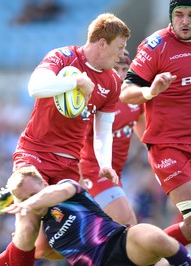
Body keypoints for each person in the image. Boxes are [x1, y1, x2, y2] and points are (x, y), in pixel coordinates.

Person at [0, 12, 130, 259]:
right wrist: (75, 83)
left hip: (69, 165)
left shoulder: (113, 83)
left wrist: (105, 164)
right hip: (34, 153)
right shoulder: (64, 57)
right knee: (28, 226)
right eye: (119, 47)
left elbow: (103, 129)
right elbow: (35, 88)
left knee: (51, 246)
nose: (121, 54)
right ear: (102, 43)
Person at [119, 0, 191, 265]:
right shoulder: (155, 46)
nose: (185, 21)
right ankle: (133, 257)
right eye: (179, 14)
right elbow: (126, 93)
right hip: (167, 145)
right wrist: (151, 91)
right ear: (171, 16)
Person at [0, 165, 191, 266]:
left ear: (44, 184)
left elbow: (58, 192)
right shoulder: (41, 231)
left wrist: (30, 202)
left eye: (34, 194)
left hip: (120, 243)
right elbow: (29, 253)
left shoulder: (66, 189)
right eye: (24, 198)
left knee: (154, 236)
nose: (31, 201)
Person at [80, 50, 144, 225]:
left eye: (125, 69)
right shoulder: (94, 99)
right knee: (128, 224)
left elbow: (148, 136)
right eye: (116, 68)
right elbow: (75, 145)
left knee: (109, 236)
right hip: (94, 173)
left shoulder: (133, 98)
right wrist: (77, 186)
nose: (121, 74)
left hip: (116, 175)